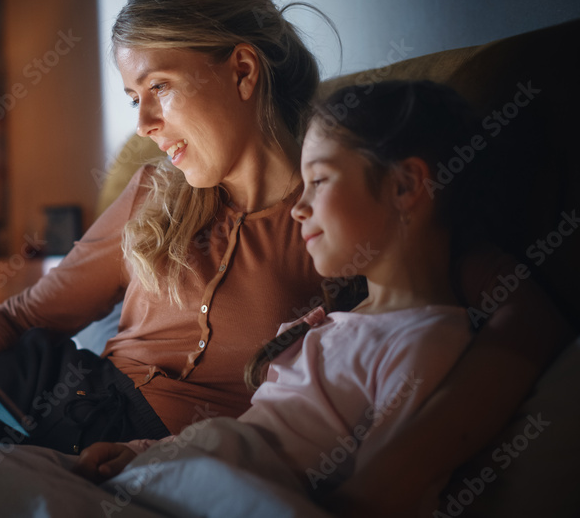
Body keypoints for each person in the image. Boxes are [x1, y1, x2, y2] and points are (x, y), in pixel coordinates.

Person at [0, 0, 571, 506]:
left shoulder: (349, 205)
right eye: (134, 101)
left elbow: (526, 320)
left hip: (125, 435)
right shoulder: (158, 193)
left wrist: (397, 470)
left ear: (240, 69)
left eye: (160, 87)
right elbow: (24, 317)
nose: (148, 123)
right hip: (45, 386)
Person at [73, 80, 488, 515]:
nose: (297, 208)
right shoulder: (337, 317)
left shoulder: (423, 342)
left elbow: (386, 491)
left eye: (320, 180)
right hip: (176, 470)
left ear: (405, 187)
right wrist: (142, 452)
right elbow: (254, 430)